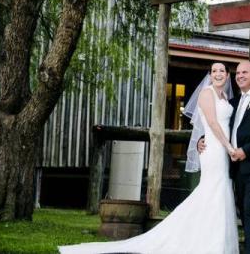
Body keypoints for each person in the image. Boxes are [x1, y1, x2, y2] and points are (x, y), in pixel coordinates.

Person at [59, 62, 239, 254]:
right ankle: (207, 243)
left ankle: (213, 239)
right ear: (210, 76)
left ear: (228, 76)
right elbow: (210, 122)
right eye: (214, 71)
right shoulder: (207, 93)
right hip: (215, 150)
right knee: (212, 189)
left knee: (219, 190)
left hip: (223, 151)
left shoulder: (226, 97)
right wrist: (228, 147)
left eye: (222, 71)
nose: (218, 74)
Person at [200, 60, 250, 254]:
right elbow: (219, 125)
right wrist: (202, 139)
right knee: (246, 215)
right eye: (238, 73)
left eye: (245, 72)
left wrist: (246, 150)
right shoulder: (232, 102)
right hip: (237, 167)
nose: (241, 76)